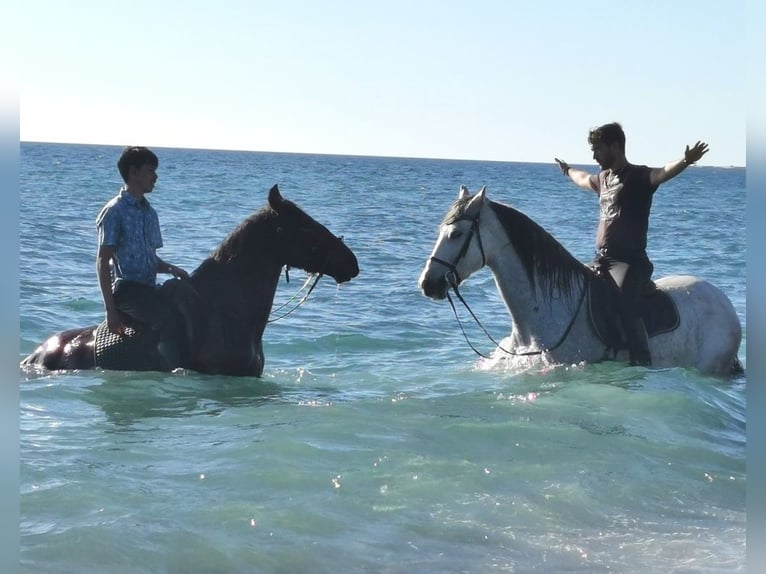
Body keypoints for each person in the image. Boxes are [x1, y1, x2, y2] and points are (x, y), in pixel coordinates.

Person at [554, 122, 708, 366]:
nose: (594, 155)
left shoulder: (638, 176)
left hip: (631, 262)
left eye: (598, 149)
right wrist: (566, 170)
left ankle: (641, 360)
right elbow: (581, 178)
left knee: (625, 302)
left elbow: (662, 173)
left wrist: (685, 160)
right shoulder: (603, 179)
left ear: (615, 146)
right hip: (602, 259)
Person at [96, 146, 189, 367]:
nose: (155, 176)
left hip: (148, 288)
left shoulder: (150, 213)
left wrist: (171, 269)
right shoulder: (114, 211)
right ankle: (174, 371)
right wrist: (111, 311)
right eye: (150, 170)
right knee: (166, 320)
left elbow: (149, 259)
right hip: (127, 290)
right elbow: (102, 261)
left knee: (186, 303)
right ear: (133, 172)